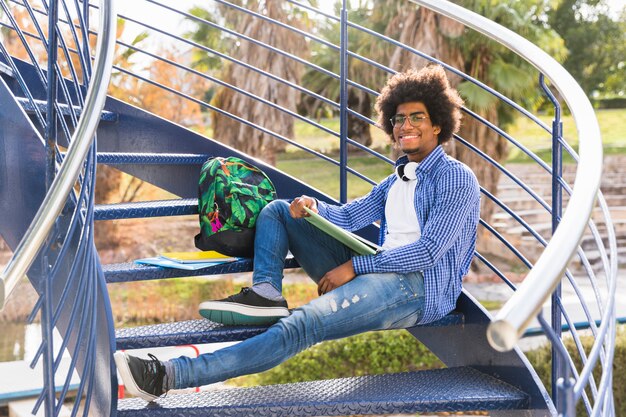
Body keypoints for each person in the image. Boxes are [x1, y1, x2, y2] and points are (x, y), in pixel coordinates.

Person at [114, 64, 481, 402]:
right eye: (399, 118)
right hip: (378, 269)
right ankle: (267, 294)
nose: (406, 125)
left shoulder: (456, 178)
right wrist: (316, 210)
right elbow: (350, 216)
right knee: (279, 209)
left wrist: (355, 268)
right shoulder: (395, 179)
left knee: (300, 326)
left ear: (438, 125)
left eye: (417, 117)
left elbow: (430, 251)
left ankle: (167, 374)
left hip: (415, 288)